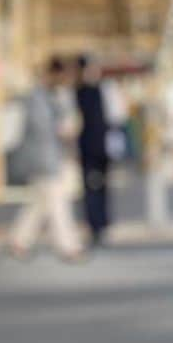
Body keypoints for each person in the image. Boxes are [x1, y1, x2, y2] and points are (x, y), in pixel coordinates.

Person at [6, 57, 83, 260]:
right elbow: (43, 127)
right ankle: (69, 246)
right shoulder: (37, 98)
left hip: (51, 158)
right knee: (58, 203)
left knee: (40, 203)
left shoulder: (53, 96)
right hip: (43, 159)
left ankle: (19, 240)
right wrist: (64, 127)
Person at [75, 54, 112, 246]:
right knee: (92, 188)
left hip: (99, 149)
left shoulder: (99, 90)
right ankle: (95, 225)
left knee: (99, 187)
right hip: (90, 149)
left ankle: (101, 224)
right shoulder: (80, 93)